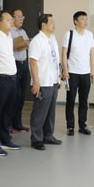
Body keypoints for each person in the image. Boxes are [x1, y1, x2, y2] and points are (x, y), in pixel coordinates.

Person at [0, 11, 21, 157]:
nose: (12, 22)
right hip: (1, 80)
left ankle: (5, 139)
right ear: (0, 23)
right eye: (8, 20)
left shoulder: (9, 36)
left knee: (7, 113)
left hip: (12, 78)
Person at [28, 14, 62, 150]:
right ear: (43, 24)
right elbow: (33, 62)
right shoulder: (37, 41)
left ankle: (48, 135)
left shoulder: (52, 38)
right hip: (43, 82)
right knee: (40, 112)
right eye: (51, 22)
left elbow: (55, 60)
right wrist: (36, 83)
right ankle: (36, 139)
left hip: (53, 80)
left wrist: (58, 78)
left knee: (50, 111)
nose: (54, 24)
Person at [61, 11, 94, 136]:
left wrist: (92, 70)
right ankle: (70, 126)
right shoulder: (69, 34)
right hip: (72, 73)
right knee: (70, 100)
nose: (86, 21)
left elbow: (92, 53)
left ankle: (82, 125)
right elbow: (64, 53)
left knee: (84, 101)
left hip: (85, 73)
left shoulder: (89, 34)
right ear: (76, 21)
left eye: (86, 19)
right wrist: (65, 70)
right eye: (83, 19)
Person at [10, 8, 30, 132]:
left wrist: (24, 44)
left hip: (23, 65)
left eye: (22, 16)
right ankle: (9, 124)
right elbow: (14, 47)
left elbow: (26, 44)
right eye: (18, 16)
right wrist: (24, 44)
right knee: (14, 96)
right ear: (12, 18)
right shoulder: (9, 31)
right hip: (14, 65)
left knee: (21, 96)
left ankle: (18, 123)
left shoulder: (23, 31)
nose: (21, 19)